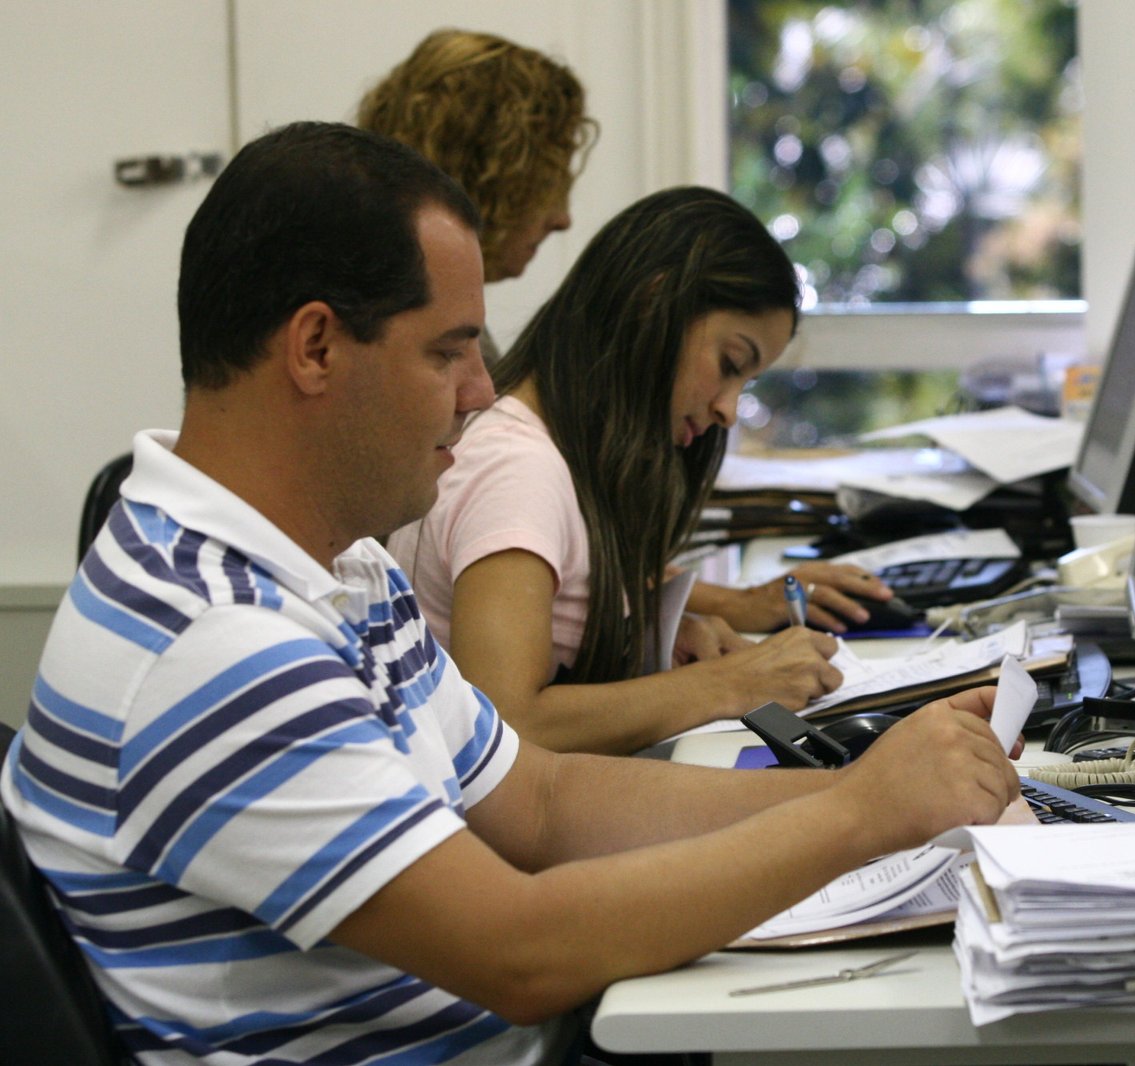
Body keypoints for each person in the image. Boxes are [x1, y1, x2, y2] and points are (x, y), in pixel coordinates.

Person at [0, 121, 1019, 1066]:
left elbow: (538, 799)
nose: (482, 391)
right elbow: (519, 953)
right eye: (446, 351)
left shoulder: (332, 567)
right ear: (315, 348)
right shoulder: (216, 641)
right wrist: (858, 820)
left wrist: (864, 791)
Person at [386, 187, 897, 755]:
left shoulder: (559, 452)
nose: (729, 409)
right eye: (730, 365)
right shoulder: (517, 470)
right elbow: (507, 726)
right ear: (654, 305)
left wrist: (654, 643)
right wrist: (728, 684)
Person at [358, 27, 598, 362]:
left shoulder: (428, 320)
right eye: (545, 179)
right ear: (484, 169)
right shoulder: (386, 335)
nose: (562, 219)